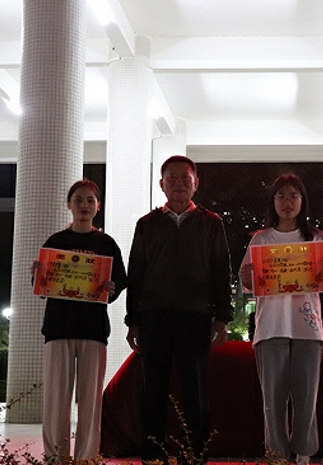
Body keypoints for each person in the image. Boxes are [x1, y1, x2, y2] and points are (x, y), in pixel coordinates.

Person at [125, 155, 234, 463]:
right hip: (153, 317)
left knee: (195, 391)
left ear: (196, 183)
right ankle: (153, 457)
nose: (179, 183)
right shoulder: (147, 224)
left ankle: (195, 456)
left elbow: (221, 271)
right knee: (153, 392)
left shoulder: (211, 223)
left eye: (185, 177)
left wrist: (222, 317)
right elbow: (136, 273)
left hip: (196, 317)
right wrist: (133, 320)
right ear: (161, 184)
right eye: (171, 178)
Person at [239, 174, 323, 465]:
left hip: (307, 328)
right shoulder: (261, 239)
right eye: (281, 195)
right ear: (272, 201)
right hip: (270, 328)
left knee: (306, 397)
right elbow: (248, 284)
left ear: (302, 201)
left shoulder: (315, 238)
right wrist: (246, 278)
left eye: (294, 195)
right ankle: (277, 455)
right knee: (273, 399)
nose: (287, 202)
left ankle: (304, 453)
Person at [31, 179, 127, 463]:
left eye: (89, 200)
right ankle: (55, 458)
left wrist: (111, 288)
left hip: (93, 329)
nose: (84, 205)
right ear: (69, 205)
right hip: (58, 328)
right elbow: (42, 287)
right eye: (78, 200)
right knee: (56, 399)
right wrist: (37, 276)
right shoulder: (55, 242)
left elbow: (119, 282)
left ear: (98, 207)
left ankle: (87, 458)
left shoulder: (106, 244)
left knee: (90, 401)